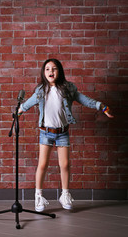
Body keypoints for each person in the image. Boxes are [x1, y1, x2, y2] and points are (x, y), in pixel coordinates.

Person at [18, 58, 114, 212]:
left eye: (54, 69)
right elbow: (28, 103)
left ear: (59, 71)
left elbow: (84, 100)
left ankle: (65, 194)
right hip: (46, 132)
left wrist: (101, 107)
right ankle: (38, 196)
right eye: (47, 69)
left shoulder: (68, 88)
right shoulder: (41, 90)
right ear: (43, 72)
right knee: (42, 164)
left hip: (62, 133)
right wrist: (19, 110)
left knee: (65, 165)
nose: (51, 72)